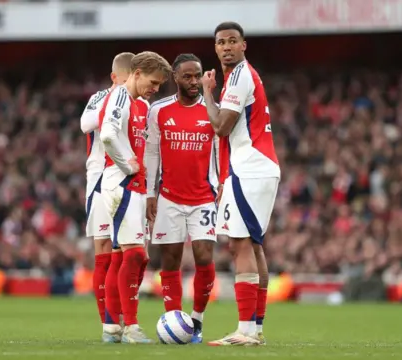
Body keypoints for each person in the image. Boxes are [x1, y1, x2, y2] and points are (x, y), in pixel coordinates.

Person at [201, 21, 280, 346]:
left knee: (240, 245)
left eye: (233, 41)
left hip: (250, 168)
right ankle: (255, 328)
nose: (227, 47)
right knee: (253, 246)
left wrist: (207, 91)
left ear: (243, 45)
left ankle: (246, 329)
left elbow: (221, 126)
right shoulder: (242, 76)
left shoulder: (239, 77)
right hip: (254, 168)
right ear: (216, 47)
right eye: (221, 42)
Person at [98, 51, 172, 344]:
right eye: (153, 81)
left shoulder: (141, 104)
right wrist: (127, 162)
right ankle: (130, 326)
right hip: (123, 183)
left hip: (136, 186)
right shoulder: (120, 97)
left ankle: (111, 327)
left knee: (121, 256)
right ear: (137, 72)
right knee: (135, 254)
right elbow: (107, 134)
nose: (155, 88)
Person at [145, 53, 219, 344]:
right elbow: (151, 152)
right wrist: (151, 192)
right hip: (168, 197)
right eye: (187, 76)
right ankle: (174, 320)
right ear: (175, 77)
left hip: (203, 197)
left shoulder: (213, 110)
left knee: (203, 257)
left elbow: (221, 151)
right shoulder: (158, 110)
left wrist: (221, 184)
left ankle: (197, 321)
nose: (193, 82)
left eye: (197, 75)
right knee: (171, 260)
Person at [80, 52, 135, 343]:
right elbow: (85, 124)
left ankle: (126, 317)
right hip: (100, 179)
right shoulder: (101, 97)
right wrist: (114, 98)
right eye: (127, 80)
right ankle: (109, 324)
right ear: (115, 78)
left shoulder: (141, 101)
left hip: (130, 180)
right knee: (104, 250)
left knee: (129, 251)